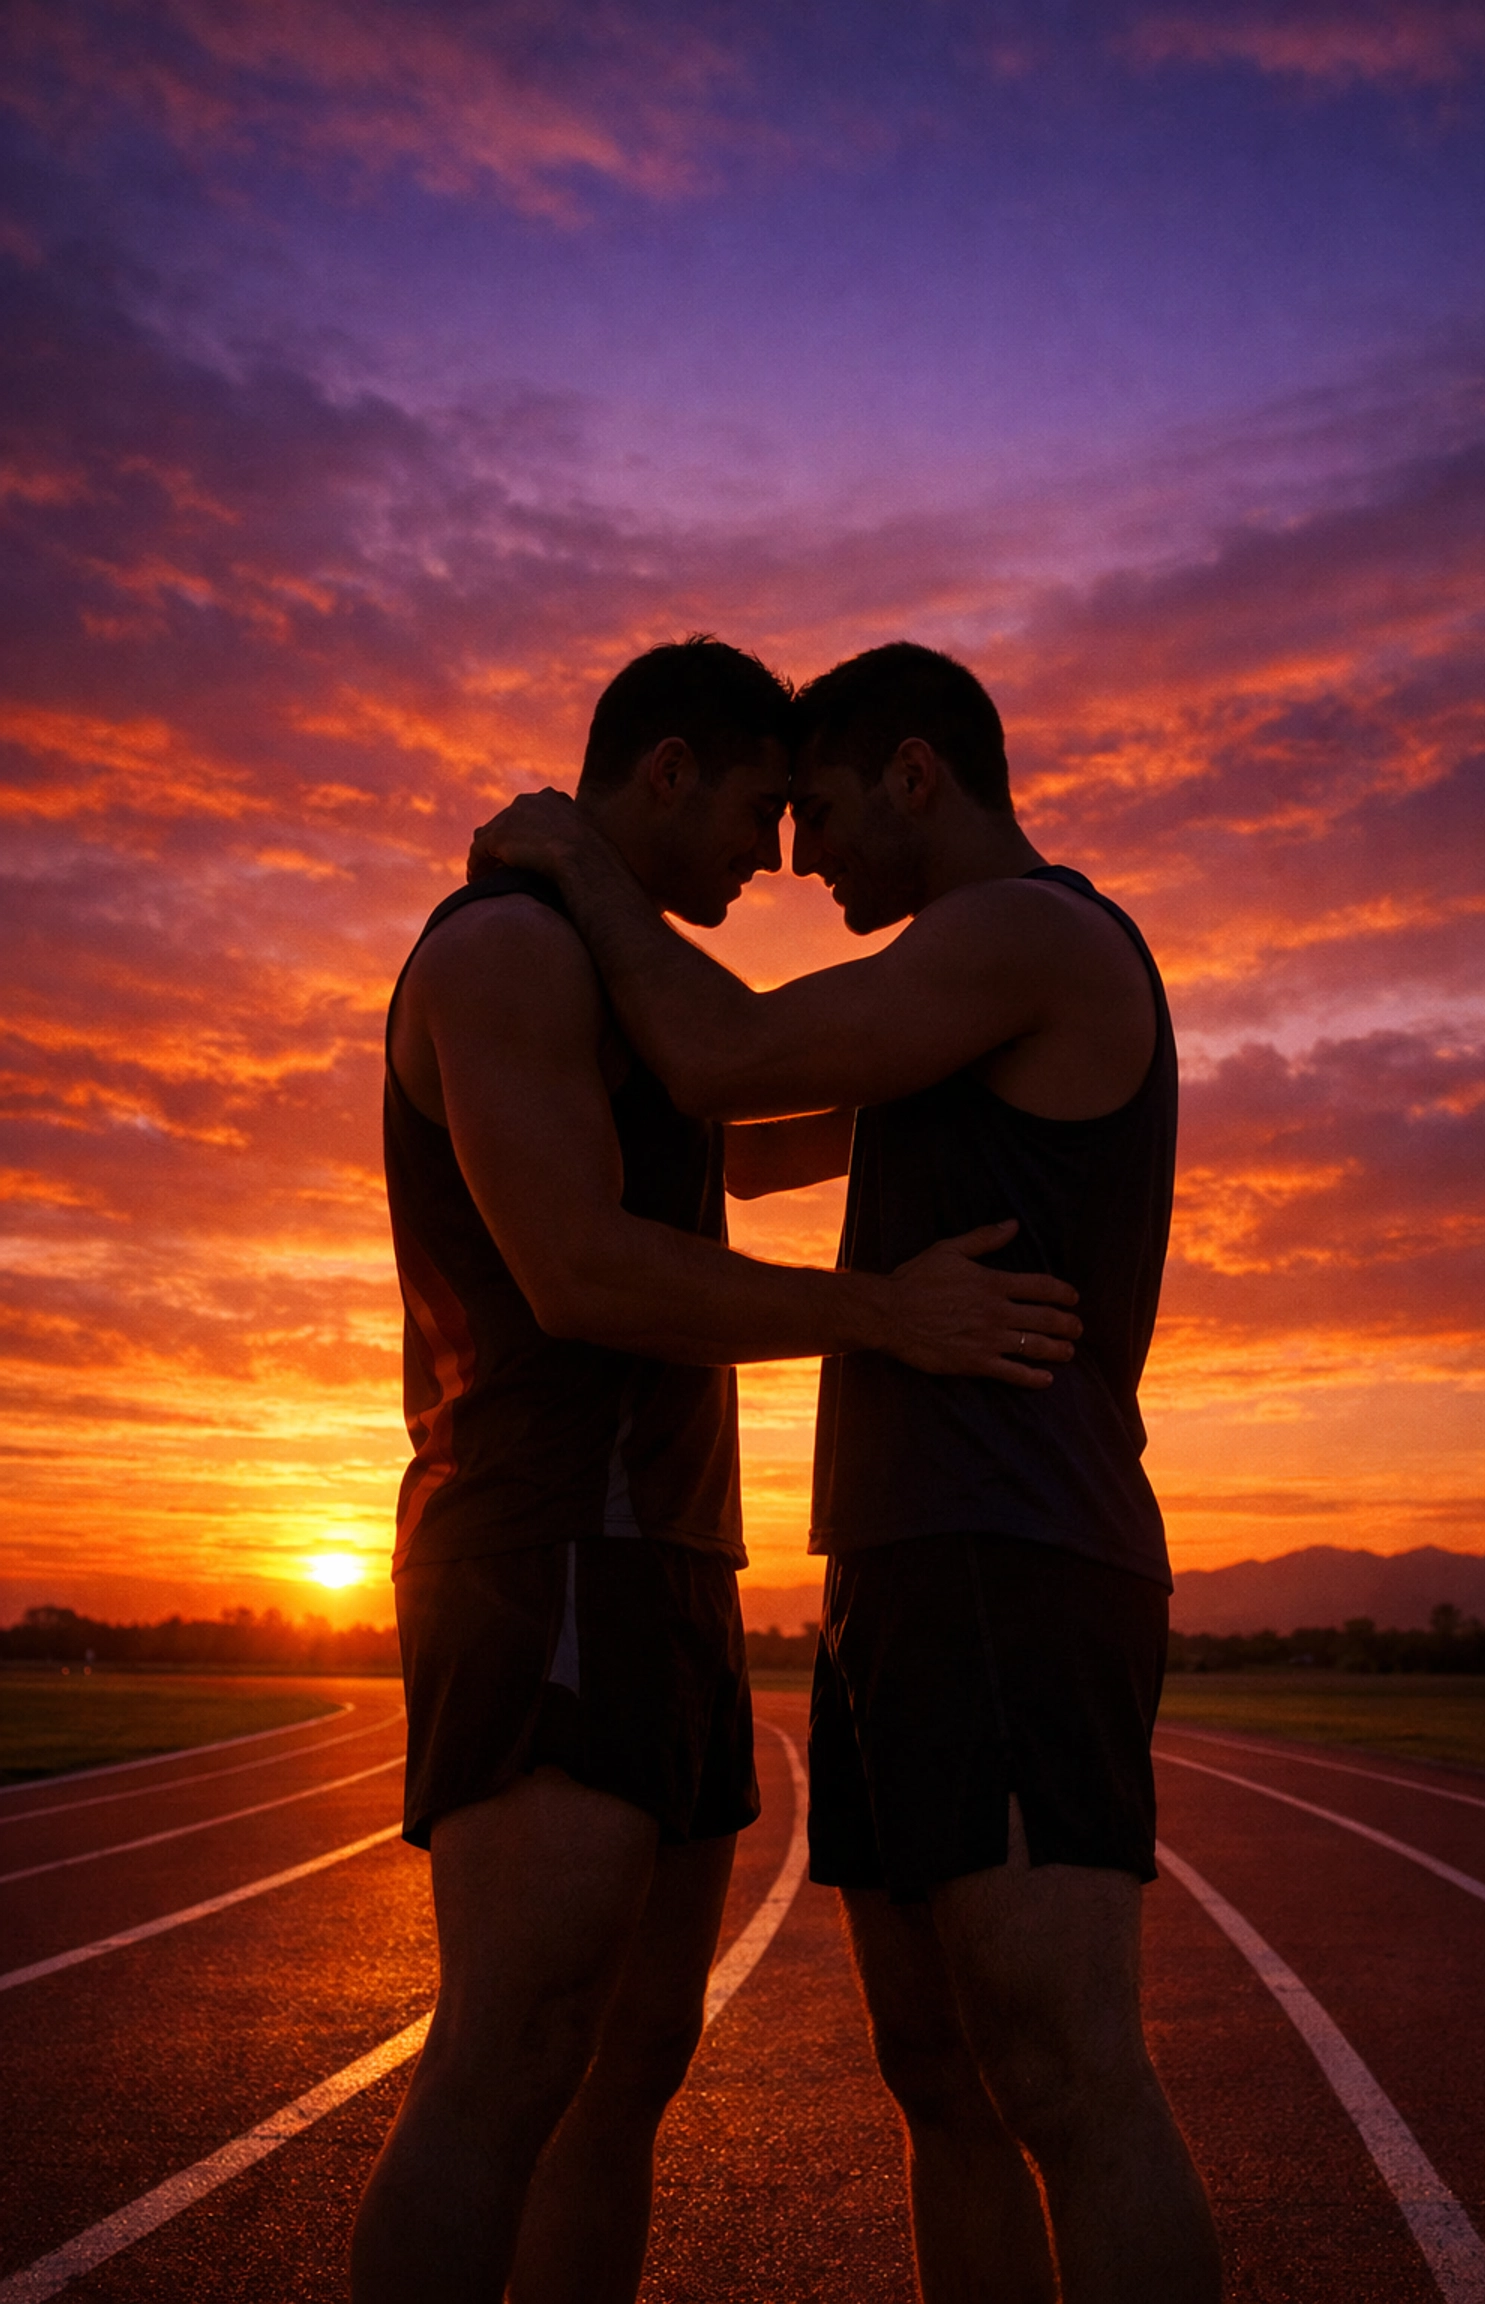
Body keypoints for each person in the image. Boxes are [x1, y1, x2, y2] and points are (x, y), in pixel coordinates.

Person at [468, 640, 1223, 2304]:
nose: (801, 867)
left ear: (914, 778)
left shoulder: (1023, 934)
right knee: (941, 2083)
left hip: (1015, 1543)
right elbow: (719, 1135)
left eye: (816, 817)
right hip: (904, 1559)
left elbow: (723, 1064)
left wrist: (579, 860)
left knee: (1067, 2079)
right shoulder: (941, 1017)